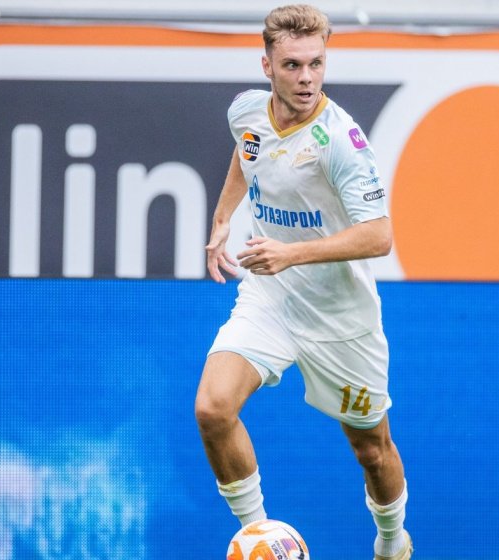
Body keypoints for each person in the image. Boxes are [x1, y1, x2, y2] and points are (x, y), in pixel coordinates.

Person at [193, 4, 412, 559]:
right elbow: (248, 153)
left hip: (340, 317)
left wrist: (290, 254)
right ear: (267, 66)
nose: (307, 78)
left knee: (372, 450)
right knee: (213, 408)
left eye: (316, 64)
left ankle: (392, 543)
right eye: (292, 65)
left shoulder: (341, 142)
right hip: (271, 297)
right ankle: (261, 538)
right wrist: (222, 218)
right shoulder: (247, 110)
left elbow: (380, 236)